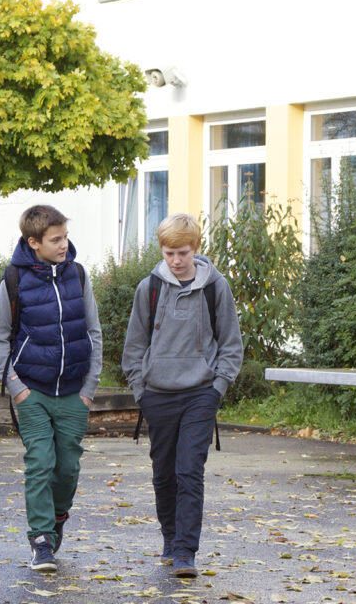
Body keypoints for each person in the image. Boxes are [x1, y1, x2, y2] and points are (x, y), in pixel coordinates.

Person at [121, 213, 243, 578]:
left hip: (200, 393)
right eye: (169, 252)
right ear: (162, 250)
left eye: (183, 252)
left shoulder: (214, 287)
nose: (176, 260)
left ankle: (186, 552)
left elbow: (231, 343)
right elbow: (134, 344)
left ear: (196, 249)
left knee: (190, 471)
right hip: (157, 394)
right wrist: (140, 389)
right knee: (164, 473)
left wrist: (217, 387)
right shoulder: (150, 287)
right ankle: (170, 539)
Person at [0, 204, 102, 573]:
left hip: (73, 392)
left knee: (67, 468)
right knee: (40, 462)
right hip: (32, 391)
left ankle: (57, 518)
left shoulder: (78, 275)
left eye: (65, 237)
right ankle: (40, 540)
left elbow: (93, 333)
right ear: (33, 242)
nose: (64, 245)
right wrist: (16, 387)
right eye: (56, 239)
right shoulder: (14, 279)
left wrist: (89, 388)